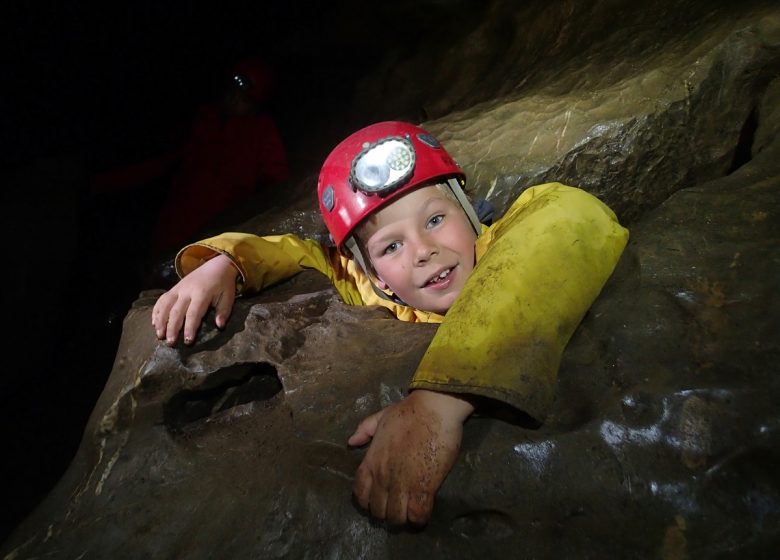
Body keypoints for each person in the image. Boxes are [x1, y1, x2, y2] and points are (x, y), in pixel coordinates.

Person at [152, 121, 629, 526]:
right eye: (391, 246)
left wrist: (441, 402)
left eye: (437, 218)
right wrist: (223, 263)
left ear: (470, 211)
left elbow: (570, 215)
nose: (423, 250)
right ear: (371, 270)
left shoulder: (502, 241)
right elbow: (297, 253)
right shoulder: (368, 289)